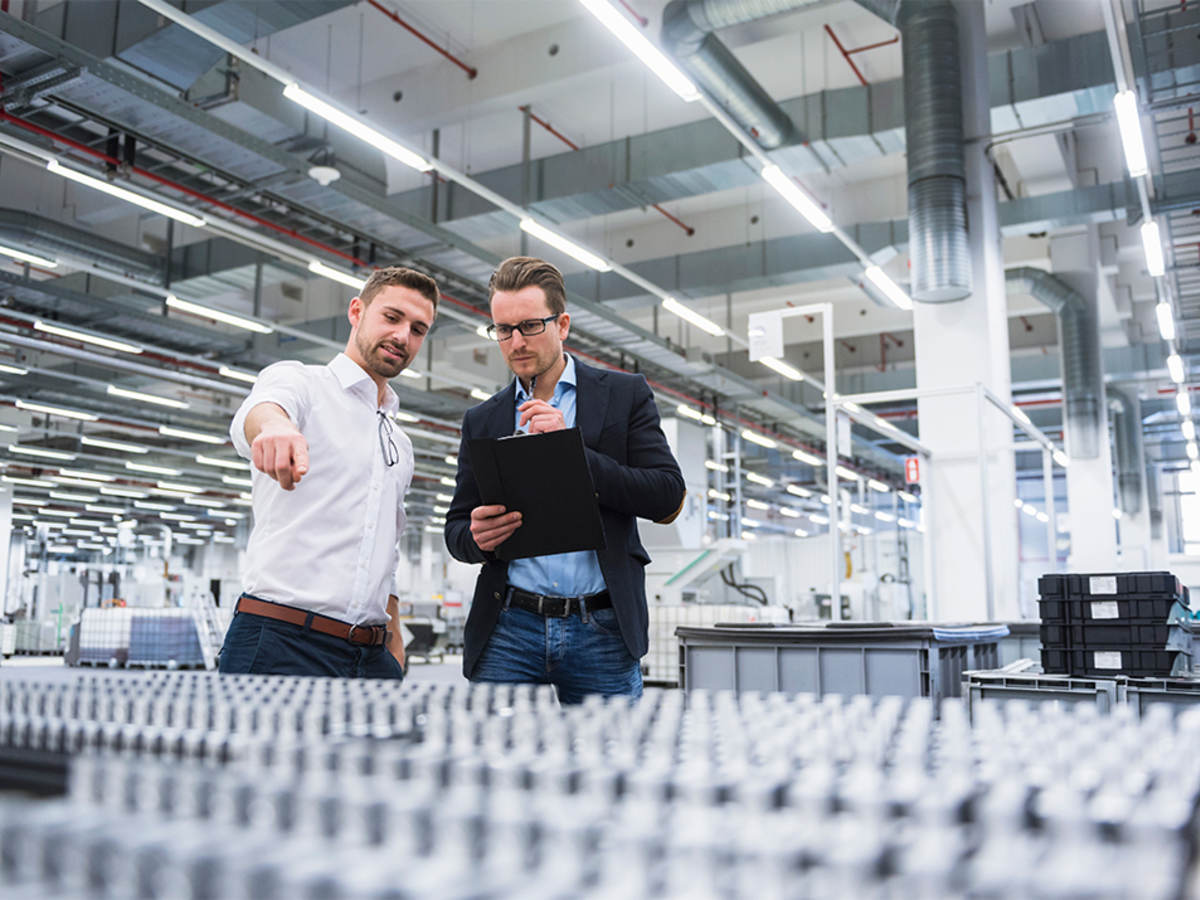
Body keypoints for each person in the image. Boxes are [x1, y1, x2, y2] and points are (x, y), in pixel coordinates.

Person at [444, 256, 685, 703]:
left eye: (531, 326)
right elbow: (456, 530)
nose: (516, 342)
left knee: (611, 766)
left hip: (603, 627)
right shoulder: (484, 418)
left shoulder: (623, 396)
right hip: (509, 627)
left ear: (564, 324)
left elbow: (667, 496)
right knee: (497, 768)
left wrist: (572, 452)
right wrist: (475, 538)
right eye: (503, 330)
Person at [219, 265, 438, 678]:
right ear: (356, 312)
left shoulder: (399, 442)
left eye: (418, 328)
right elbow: (262, 408)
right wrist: (276, 427)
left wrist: (392, 633)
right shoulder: (302, 383)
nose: (402, 336)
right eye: (391, 318)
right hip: (280, 643)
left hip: (370, 656)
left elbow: (385, 546)